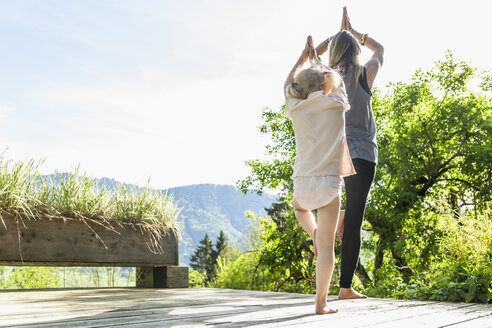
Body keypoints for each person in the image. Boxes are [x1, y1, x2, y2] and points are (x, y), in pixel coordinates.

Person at [315, 7, 384, 299]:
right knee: (355, 219)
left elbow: (310, 55)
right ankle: (345, 288)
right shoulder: (364, 74)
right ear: (355, 49)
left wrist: (335, 36)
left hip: (334, 152)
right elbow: (379, 49)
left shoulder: (326, 78)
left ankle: (339, 214)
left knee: (330, 215)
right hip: (363, 153)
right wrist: (354, 33)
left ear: (335, 50)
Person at [284, 35, 355, 314]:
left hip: (302, 182)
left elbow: (288, 84)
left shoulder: (295, 108)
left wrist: (303, 59)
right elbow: (339, 85)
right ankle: (321, 303)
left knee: (299, 208)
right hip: (329, 184)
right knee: (326, 250)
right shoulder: (336, 103)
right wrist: (321, 64)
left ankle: (312, 232)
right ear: (327, 84)